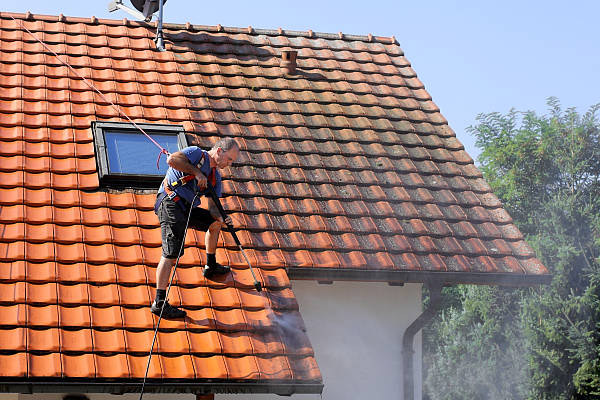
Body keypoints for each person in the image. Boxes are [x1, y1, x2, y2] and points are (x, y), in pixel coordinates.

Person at [151, 137, 240, 318]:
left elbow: (214, 208)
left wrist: (222, 218)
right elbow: (172, 160)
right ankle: (159, 303)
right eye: (229, 159)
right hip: (171, 203)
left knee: (214, 223)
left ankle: (211, 265)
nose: (229, 164)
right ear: (219, 151)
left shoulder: (216, 177)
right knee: (171, 252)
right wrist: (198, 174)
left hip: (187, 208)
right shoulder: (196, 153)